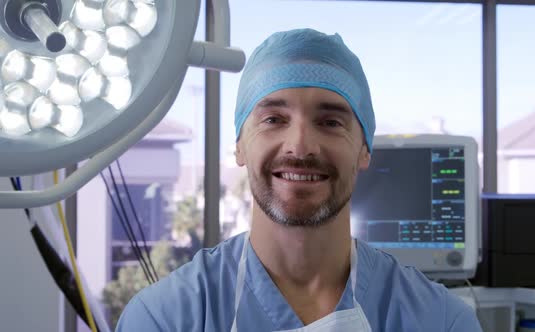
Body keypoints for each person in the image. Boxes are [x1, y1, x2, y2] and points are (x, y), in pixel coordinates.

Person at [116, 28, 482, 332]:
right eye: (274, 119)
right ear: (240, 147)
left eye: (330, 122)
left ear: (364, 150)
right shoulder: (165, 318)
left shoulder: (440, 321)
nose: (301, 146)